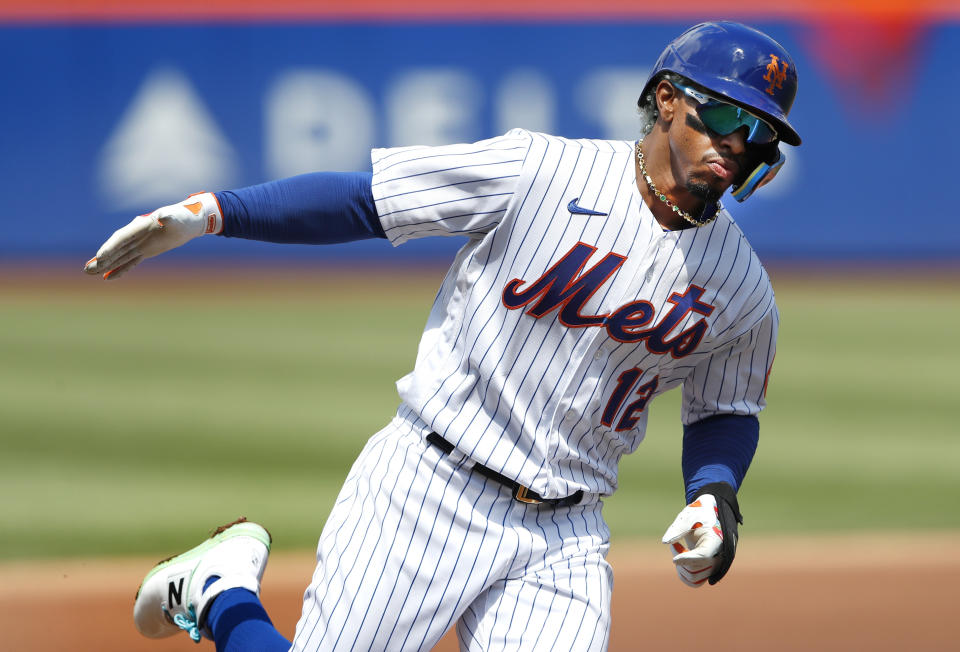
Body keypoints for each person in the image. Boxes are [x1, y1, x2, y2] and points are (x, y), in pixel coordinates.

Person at [85, 20, 801, 652]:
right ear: (668, 98)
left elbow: (726, 410)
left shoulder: (741, 288)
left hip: (566, 531)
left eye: (760, 132)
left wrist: (716, 497)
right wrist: (214, 212)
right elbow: (367, 201)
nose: (738, 144)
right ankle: (221, 592)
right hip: (429, 488)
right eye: (726, 116)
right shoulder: (542, 170)